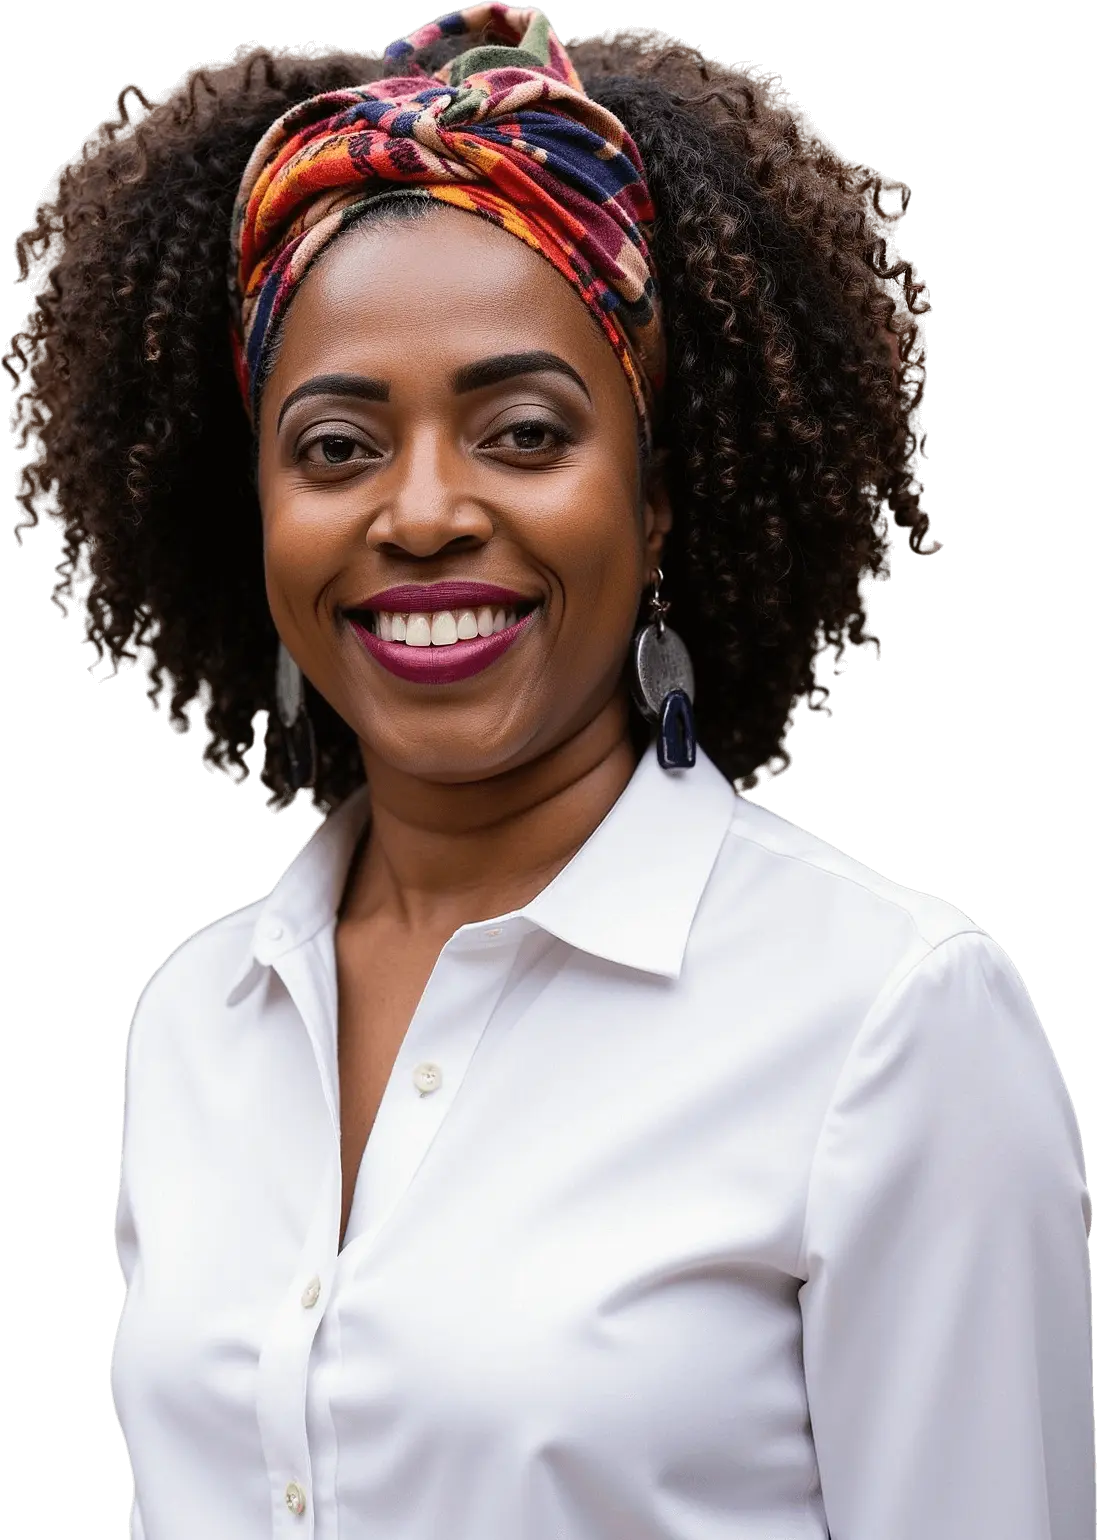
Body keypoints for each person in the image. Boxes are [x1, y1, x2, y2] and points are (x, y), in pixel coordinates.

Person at [7, 9, 1093, 1538]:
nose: (426, 511)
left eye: (524, 431)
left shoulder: (890, 1025)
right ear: (246, 514)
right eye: (335, 448)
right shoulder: (194, 1024)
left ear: (656, 509)